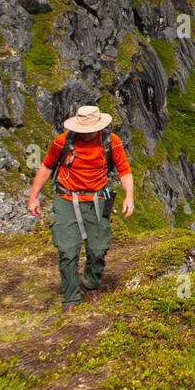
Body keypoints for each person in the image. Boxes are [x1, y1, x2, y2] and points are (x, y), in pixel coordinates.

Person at [27, 106, 134, 311]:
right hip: (67, 197)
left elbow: (124, 169)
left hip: (99, 195)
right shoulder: (63, 141)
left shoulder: (111, 141)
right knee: (67, 250)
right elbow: (47, 166)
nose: (87, 134)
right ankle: (71, 300)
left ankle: (90, 284)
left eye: (91, 129)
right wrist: (34, 197)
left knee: (99, 247)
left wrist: (129, 196)